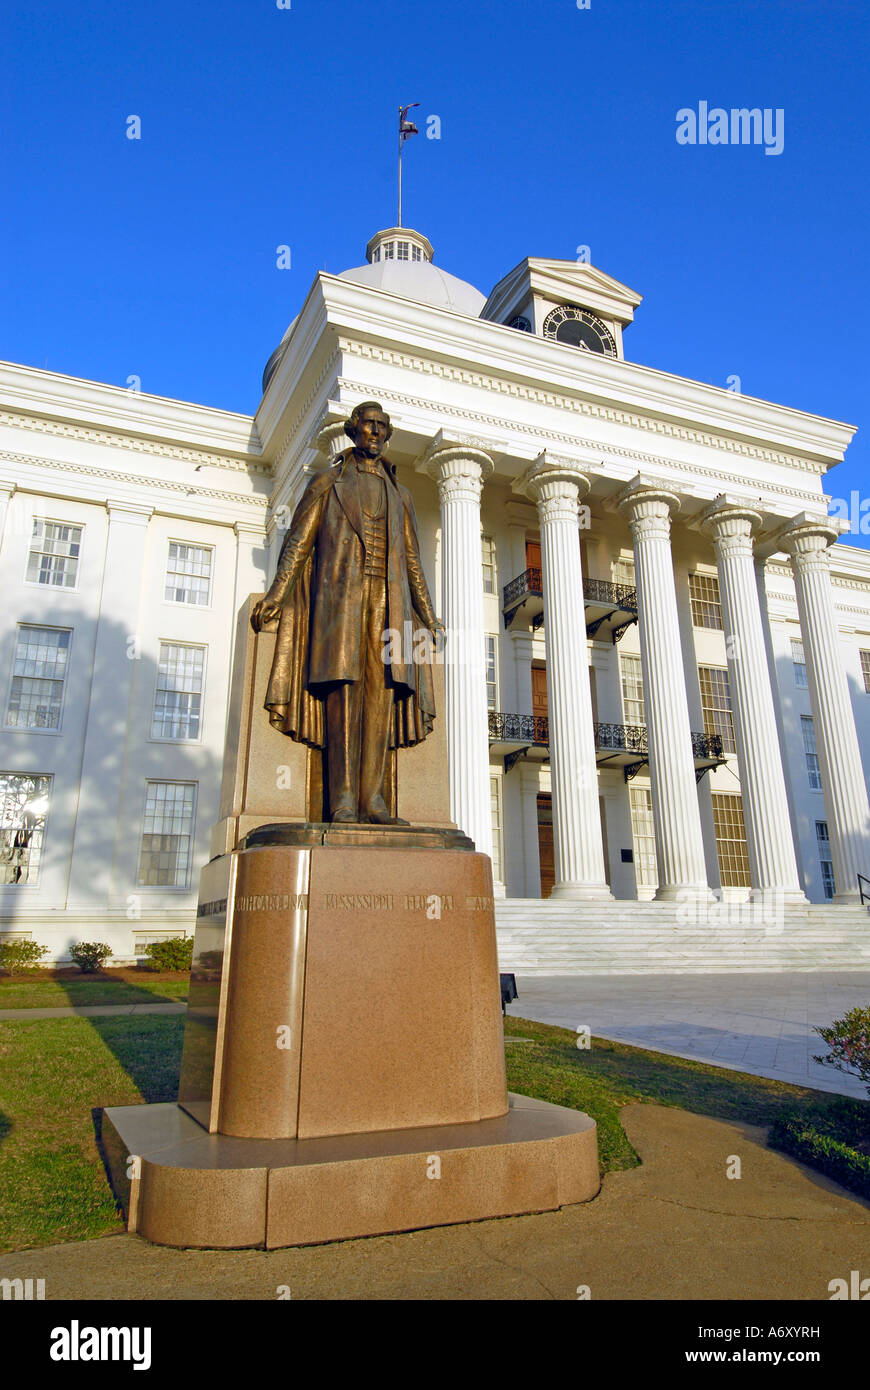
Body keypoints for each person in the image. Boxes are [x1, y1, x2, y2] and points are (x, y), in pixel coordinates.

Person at [251, 401, 443, 824]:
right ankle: (341, 797)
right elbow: (299, 542)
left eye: (381, 427)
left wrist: (428, 615)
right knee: (344, 696)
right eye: (368, 425)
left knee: (382, 700)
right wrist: (277, 594)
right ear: (353, 429)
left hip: (390, 607)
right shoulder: (327, 482)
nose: (374, 433)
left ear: (387, 434)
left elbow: (413, 559)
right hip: (342, 602)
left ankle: (373, 799)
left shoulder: (402, 495)